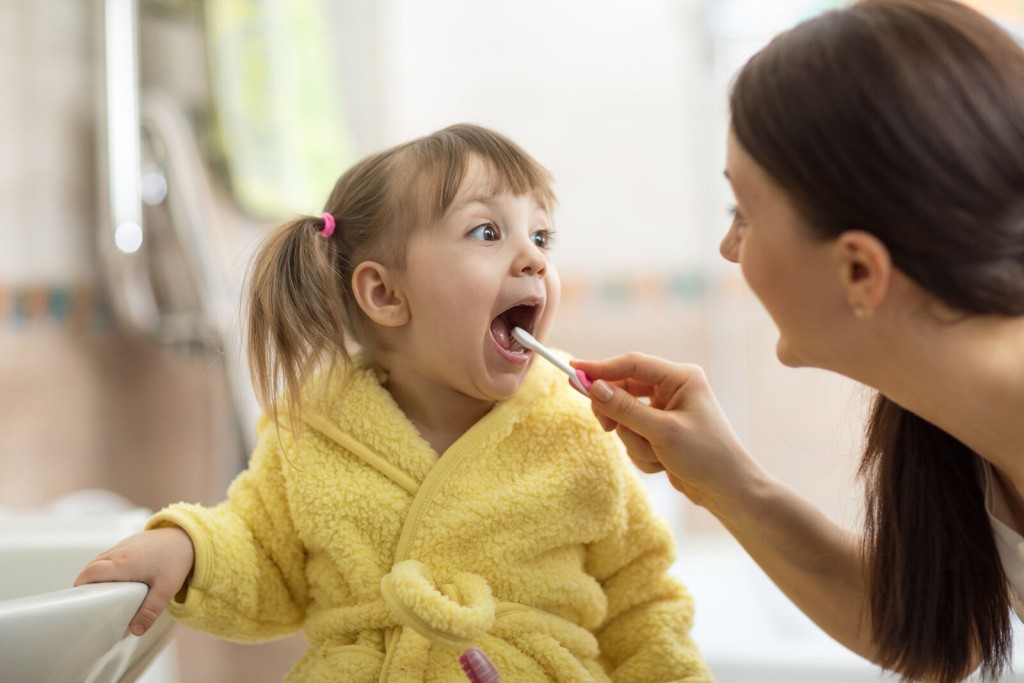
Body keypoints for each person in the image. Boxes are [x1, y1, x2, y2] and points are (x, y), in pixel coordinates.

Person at [75, 124, 713, 682]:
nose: (534, 260)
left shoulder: (576, 427)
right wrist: (189, 550)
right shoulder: (316, 430)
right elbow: (263, 557)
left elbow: (640, 601)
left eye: (542, 237)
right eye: (488, 232)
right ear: (384, 294)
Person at [572, 1, 1024, 681]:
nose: (730, 248)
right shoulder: (959, 430)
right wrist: (724, 480)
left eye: (744, 214)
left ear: (859, 269)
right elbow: (939, 634)